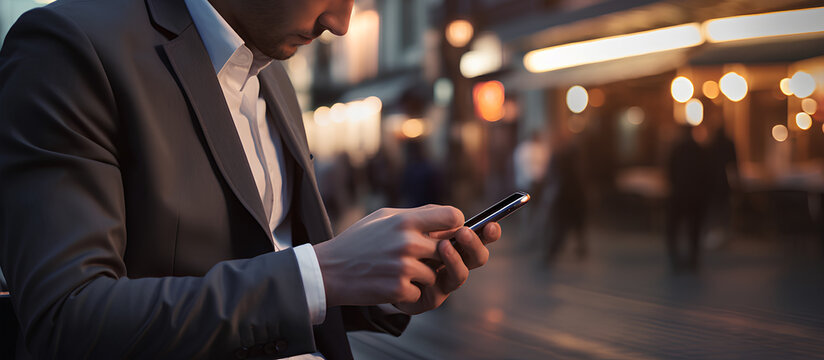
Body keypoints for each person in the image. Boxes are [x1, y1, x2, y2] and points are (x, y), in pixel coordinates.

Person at [0, 0, 501, 359]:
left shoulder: (272, 71)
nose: (341, 23)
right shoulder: (69, 47)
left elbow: (267, 276)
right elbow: (67, 318)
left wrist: (378, 283)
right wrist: (322, 272)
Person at [665, 125, 711, 271]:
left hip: (679, 194)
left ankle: (675, 257)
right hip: (696, 197)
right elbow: (707, 174)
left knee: (674, 228)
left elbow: (670, 171)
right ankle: (693, 258)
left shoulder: (677, 150)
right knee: (694, 229)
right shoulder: (700, 150)